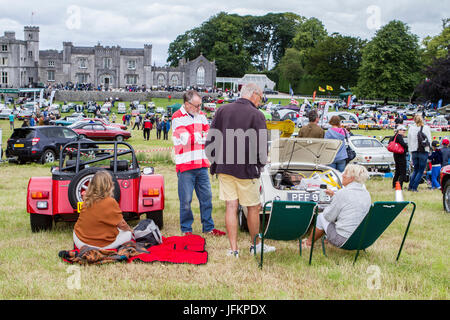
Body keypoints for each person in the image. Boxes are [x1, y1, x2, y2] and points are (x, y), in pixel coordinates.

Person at [207, 83, 273, 258]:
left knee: (231, 206)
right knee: (253, 207)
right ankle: (255, 245)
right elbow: (261, 146)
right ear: (253, 95)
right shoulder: (256, 114)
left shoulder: (222, 110)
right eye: (260, 97)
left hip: (224, 166)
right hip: (247, 169)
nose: (260, 101)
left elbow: (211, 140)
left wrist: (216, 160)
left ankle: (234, 249)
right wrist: (260, 164)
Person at [171, 90, 225, 237]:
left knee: (207, 198)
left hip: (201, 164)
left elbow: (210, 136)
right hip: (186, 165)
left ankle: (208, 227)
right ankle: (186, 230)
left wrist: (198, 136)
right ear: (187, 104)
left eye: (200, 105)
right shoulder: (177, 117)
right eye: (197, 105)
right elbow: (185, 139)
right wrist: (200, 136)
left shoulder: (201, 116)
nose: (200, 109)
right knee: (186, 201)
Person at [304, 164, 371, 248]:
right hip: (362, 239)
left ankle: (308, 243)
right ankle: (325, 240)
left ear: (352, 178)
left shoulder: (342, 193)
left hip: (343, 240)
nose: (342, 175)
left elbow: (329, 217)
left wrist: (327, 207)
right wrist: (335, 196)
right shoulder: (366, 193)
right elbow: (351, 204)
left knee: (321, 216)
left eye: (345, 173)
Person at [73, 170, 134, 249]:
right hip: (100, 246)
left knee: (76, 230)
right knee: (127, 234)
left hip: (80, 242)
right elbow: (122, 225)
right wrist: (131, 231)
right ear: (108, 185)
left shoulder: (87, 199)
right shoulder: (110, 202)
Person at [407, 114, 432, 192]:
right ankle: (414, 187)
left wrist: (410, 152)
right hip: (423, 151)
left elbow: (409, 141)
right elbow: (429, 140)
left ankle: (410, 186)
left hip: (414, 150)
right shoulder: (426, 128)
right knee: (420, 171)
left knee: (415, 170)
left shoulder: (411, 128)